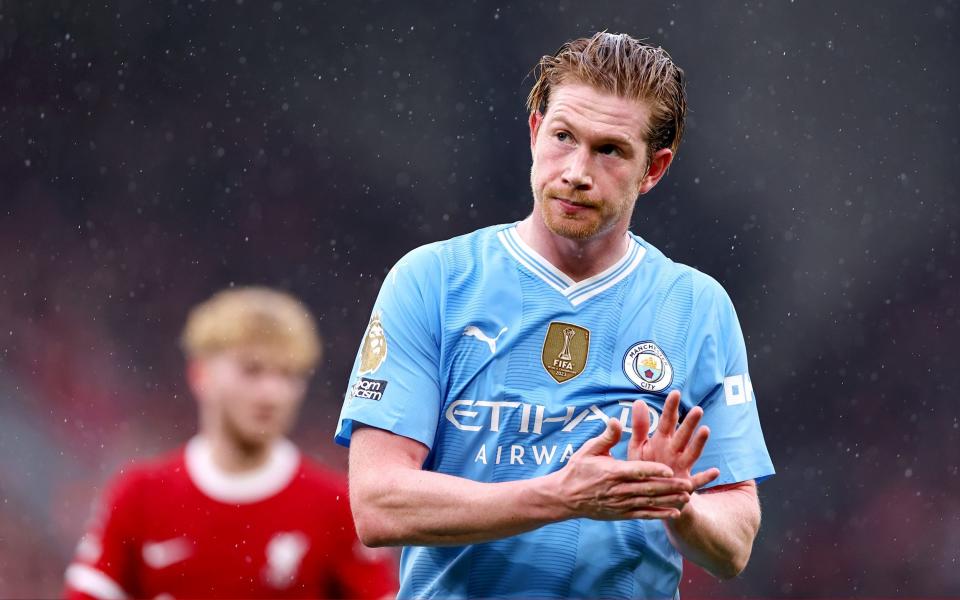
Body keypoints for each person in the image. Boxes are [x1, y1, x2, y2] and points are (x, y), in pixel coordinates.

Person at [335, 32, 775, 599]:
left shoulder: (698, 307)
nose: (576, 172)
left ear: (654, 169)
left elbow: (735, 543)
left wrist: (676, 503)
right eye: (564, 137)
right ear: (535, 131)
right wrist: (560, 496)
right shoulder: (432, 281)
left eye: (610, 150)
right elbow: (378, 506)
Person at [65, 287, 398, 599]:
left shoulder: (336, 506)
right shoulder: (139, 496)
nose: (272, 393)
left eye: (288, 374)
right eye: (252, 371)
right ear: (201, 375)